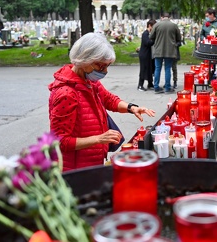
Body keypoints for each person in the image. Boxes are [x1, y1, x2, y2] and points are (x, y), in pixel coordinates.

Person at [48, 32, 156, 172]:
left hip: (91, 162)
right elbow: (60, 141)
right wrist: (99, 139)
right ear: (85, 61)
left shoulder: (89, 81)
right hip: (75, 169)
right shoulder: (66, 94)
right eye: (101, 66)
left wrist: (131, 108)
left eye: (107, 66)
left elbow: (108, 99)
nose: (105, 71)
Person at [149, 12, 181, 94]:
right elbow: (179, 38)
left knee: (157, 68)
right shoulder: (174, 25)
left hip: (158, 50)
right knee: (167, 68)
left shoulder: (156, 25)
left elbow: (151, 37)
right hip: (170, 50)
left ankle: (156, 86)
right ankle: (167, 87)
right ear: (169, 17)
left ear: (161, 17)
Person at [137, 19, 156, 91]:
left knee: (149, 69)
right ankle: (140, 85)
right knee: (143, 69)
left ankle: (150, 84)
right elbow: (147, 43)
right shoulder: (145, 34)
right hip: (144, 54)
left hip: (148, 55)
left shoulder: (149, 33)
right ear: (149, 26)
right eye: (153, 27)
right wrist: (154, 40)